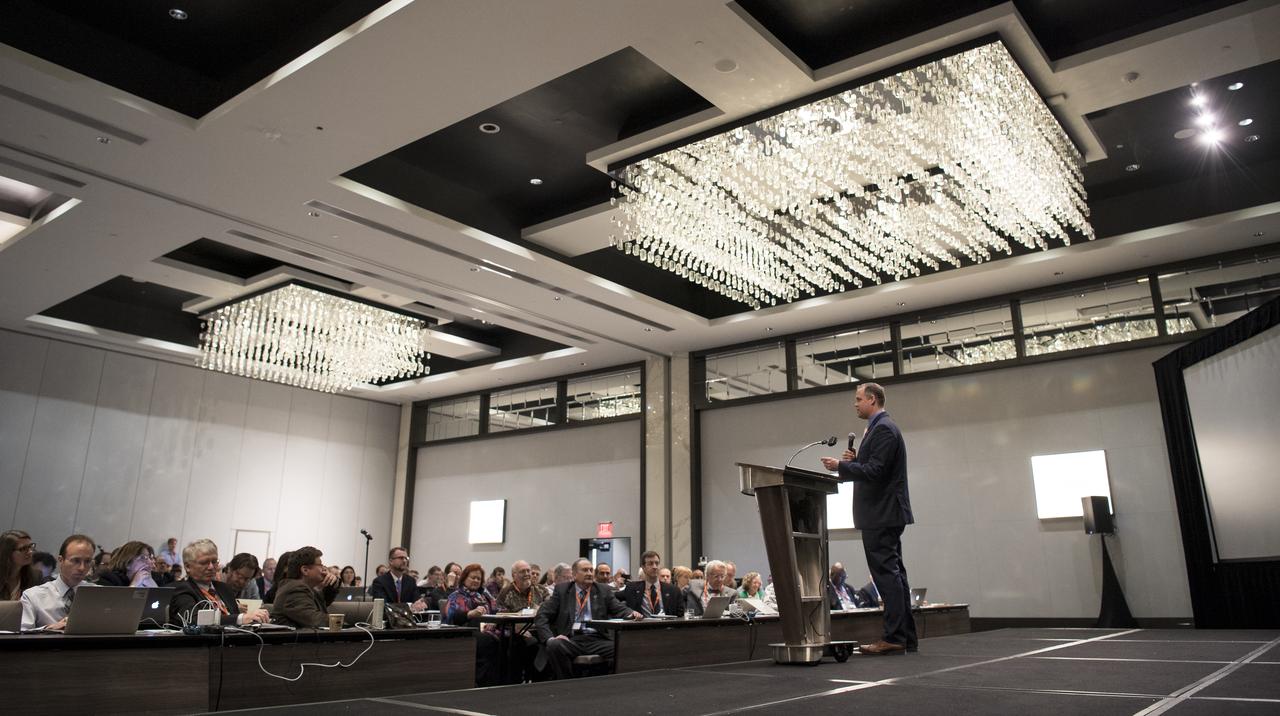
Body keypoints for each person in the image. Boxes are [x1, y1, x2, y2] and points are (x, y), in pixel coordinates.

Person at [821, 382, 917, 655]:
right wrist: (853, 462)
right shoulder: (880, 428)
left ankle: (895, 638)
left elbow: (875, 472)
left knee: (886, 575)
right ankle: (905, 638)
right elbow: (873, 467)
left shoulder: (884, 428)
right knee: (895, 575)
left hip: (882, 513)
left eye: (858, 399)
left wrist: (842, 466)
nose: (855, 404)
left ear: (872, 400)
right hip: (884, 512)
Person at [535, 558, 641, 679]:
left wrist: (631, 613)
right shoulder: (563, 590)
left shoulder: (603, 590)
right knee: (554, 645)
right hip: (572, 639)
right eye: (585, 570)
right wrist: (550, 638)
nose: (590, 573)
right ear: (574, 575)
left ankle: (610, 684)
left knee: (622, 648)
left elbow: (619, 608)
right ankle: (567, 683)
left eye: (591, 570)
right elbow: (542, 615)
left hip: (597, 639)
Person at [170, 539, 269, 626]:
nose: (211, 567)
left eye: (214, 562)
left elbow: (234, 616)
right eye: (204, 562)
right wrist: (241, 618)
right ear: (187, 567)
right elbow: (194, 620)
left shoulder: (224, 588)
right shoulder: (182, 589)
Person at [20, 534, 97, 630]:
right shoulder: (33, 596)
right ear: (61, 560)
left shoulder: (99, 594)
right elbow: (21, 633)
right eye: (76, 560)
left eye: (87, 561)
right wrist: (49, 629)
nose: (82, 568)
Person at [445, 563, 501, 686]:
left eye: (478, 578)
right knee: (487, 640)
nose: (476, 580)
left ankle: (502, 683)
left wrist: (494, 622)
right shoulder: (455, 595)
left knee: (511, 638)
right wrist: (469, 613)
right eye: (473, 577)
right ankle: (482, 683)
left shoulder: (485, 596)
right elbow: (450, 617)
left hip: (489, 629)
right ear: (464, 578)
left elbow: (497, 611)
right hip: (464, 632)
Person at [270, 546, 332, 628]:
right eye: (320, 565)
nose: (324, 569)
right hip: (294, 640)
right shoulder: (295, 589)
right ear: (305, 570)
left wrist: (333, 583)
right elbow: (315, 620)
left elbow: (324, 603)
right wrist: (340, 620)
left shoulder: (303, 587)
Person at [619, 551, 682, 617]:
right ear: (643, 567)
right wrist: (628, 612)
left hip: (665, 626)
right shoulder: (632, 588)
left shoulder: (673, 590)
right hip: (641, 625)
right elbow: (613, 600)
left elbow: (680, 615)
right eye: (650, 564)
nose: (654, 567)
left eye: (657, 563)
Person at [1, 529, 39, 600]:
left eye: (31, 546)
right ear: (7, 552)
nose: (30, 552)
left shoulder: (35, 577)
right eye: (23, 548)